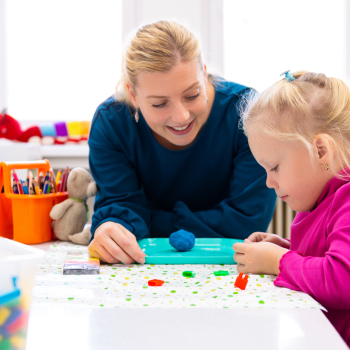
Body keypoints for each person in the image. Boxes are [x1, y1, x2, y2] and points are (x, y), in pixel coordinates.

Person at [87, 20, 276, 266]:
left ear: (204, 73)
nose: (181, 116)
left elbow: (247, 223)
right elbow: (119, 211)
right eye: (159, 104)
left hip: (230, 267)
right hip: (143, 269)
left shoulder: (248, 113)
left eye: (192, 95)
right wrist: (111, 229)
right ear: (133, 95)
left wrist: (147, 223)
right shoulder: (111, 124)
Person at [233, 70, 350, 345]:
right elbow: (325, 257)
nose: (268, 182)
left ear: (321, 150)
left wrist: (278, 261)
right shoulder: (322, 198)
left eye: (274, 167)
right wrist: (286, 248)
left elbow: (342, 279)